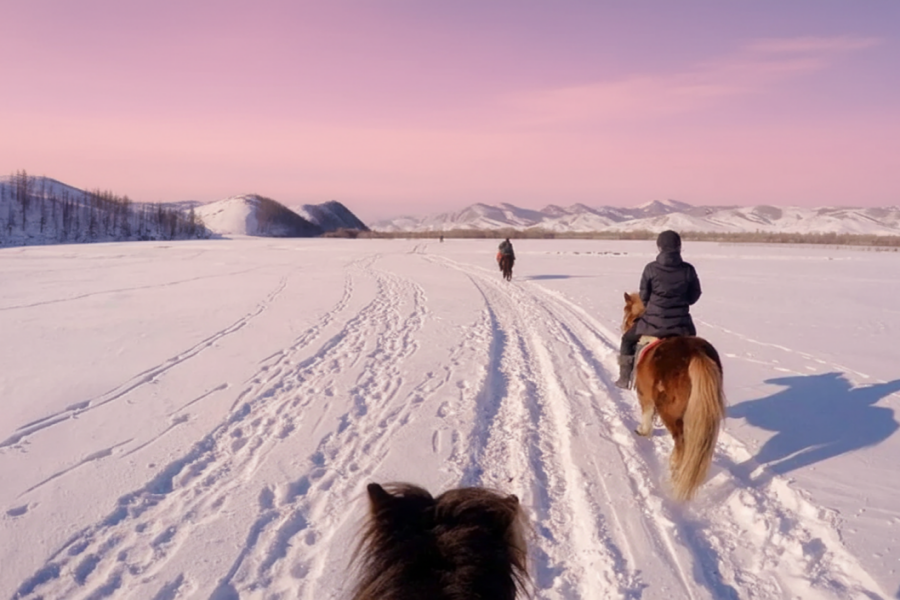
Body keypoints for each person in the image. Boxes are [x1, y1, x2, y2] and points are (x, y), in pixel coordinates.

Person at [615, 230, 701, 389]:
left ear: (659, 246)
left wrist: (654, 308)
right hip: (682, 325)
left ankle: (624, 378)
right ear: (679, 246)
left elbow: (644, 296)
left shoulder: (650, 269)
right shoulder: (688, 269)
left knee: (627, 340)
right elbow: (695, 294)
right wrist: (682, 303)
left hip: (652, 323)